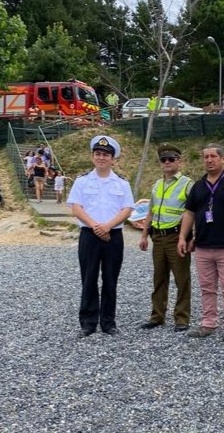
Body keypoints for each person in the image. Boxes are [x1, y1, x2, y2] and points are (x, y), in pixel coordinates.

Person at [178, 143, 224, 342]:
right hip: (203, 245)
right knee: (207, 287)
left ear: (222, 159)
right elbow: (189, 213)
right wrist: (183, 237)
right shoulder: (199, 185)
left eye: (213, 156)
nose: (209, 160)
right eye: (206, 157)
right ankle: (208, 323)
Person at [67, 135, 135, 338]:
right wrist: (95, 226)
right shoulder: (82, 181)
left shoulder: (122, 183)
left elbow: (127, 209)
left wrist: (107, 226)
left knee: (110, 279)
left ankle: (108, 322)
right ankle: (88, 323)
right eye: (97, 154)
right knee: (88, 279)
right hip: (89, 234)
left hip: (113, 236)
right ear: (92, 157)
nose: (101, 157)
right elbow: (76, 208)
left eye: (105, 154)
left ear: (113, 159)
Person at [139, 143, 194, 333]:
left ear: (179, 161)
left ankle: (182, 318)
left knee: (182, 279)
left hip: (176, 236)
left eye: (171, 159)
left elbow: (193, 212)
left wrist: (189, 238)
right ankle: (157, 316)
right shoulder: (157, 184)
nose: (167, 163)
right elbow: (151, 212)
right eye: (163, 160)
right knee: (159, 279)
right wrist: (144, 235)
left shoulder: (187, 184)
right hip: (158, 237)